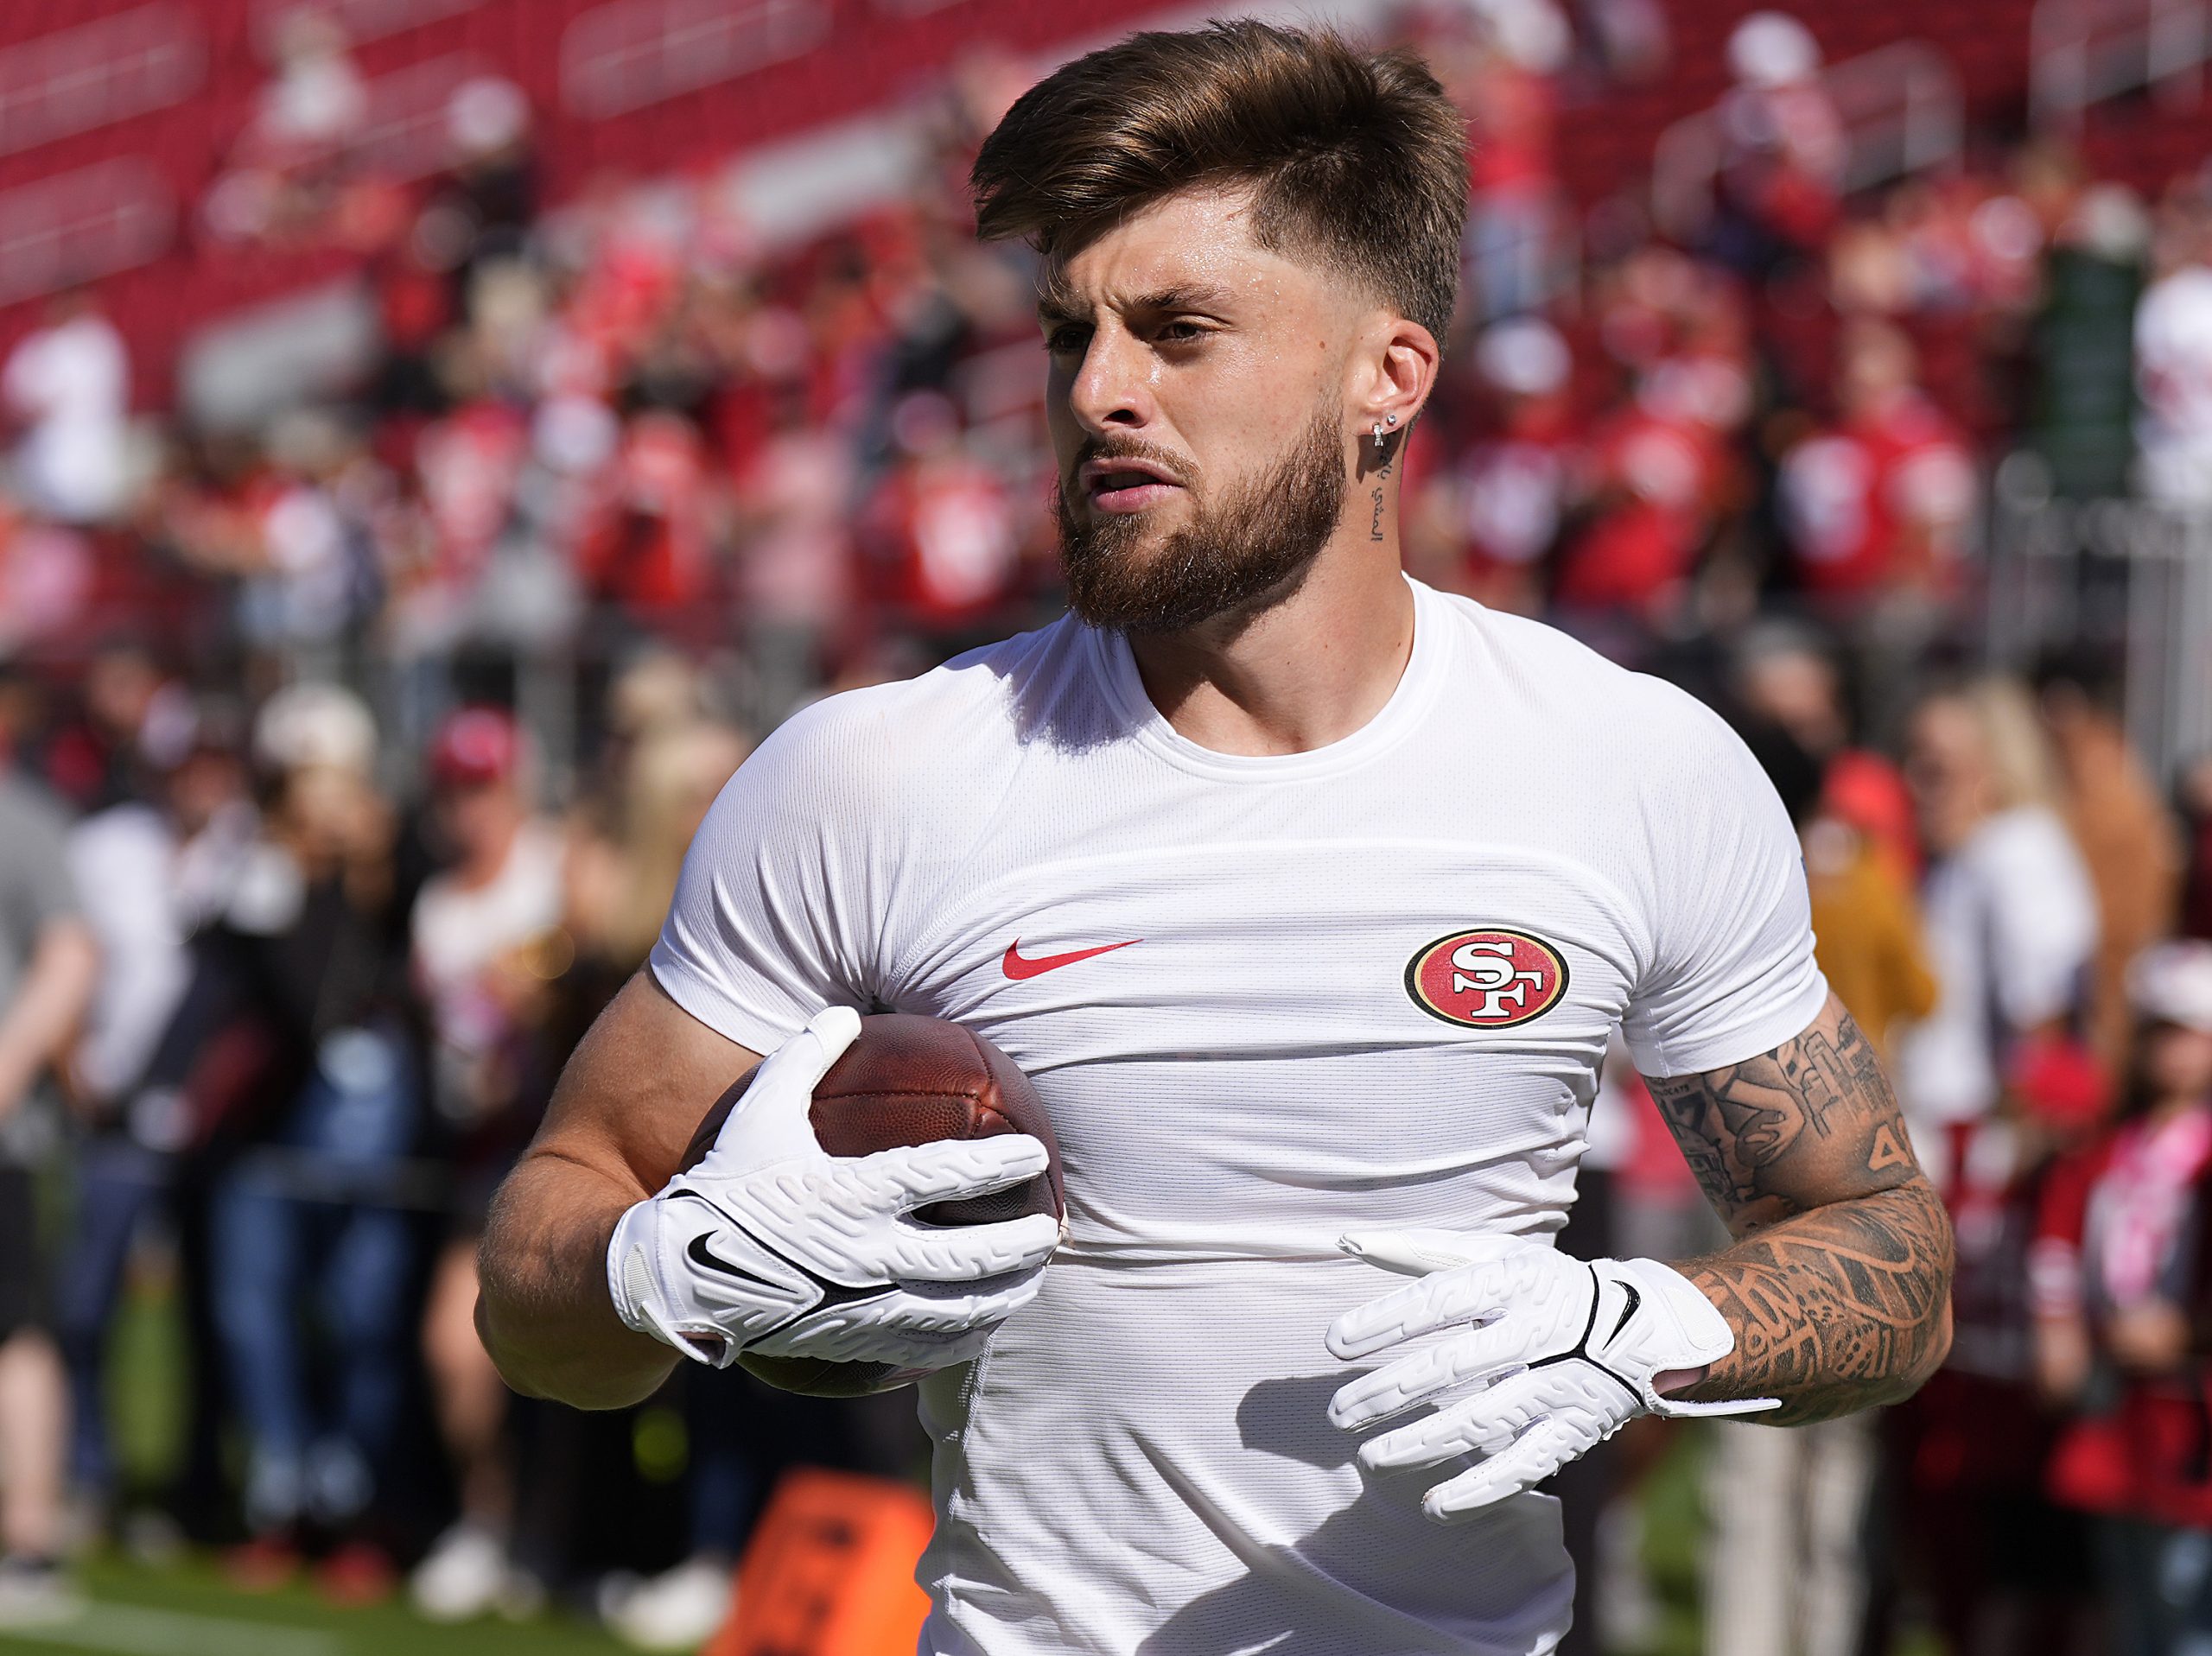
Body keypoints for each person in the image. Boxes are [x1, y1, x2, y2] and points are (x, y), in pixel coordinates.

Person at [477, 24, 1955, 1653]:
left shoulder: (1632, 765)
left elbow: (1889, 1257)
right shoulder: (874, 775)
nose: (1100, 390)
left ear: (1387, 377)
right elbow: (538, 1275)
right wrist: (659, 1268)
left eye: (1179, 330)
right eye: (1069, 335)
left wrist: (1654, 1320)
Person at [406, 707, 565, 1621]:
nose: (469, 810)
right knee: (455, 1346)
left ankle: (551, 1533)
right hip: (480, 1146)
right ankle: (486, 1518)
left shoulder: (555, 866)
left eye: (483, 788)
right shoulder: (440, 902)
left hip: (571, 1132)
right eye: (454, 791)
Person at [2036, 941, 2212, 1656]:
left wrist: (2190, 1330)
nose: (2168, 1051)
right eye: (2157, 1031)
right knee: (2129, 1592)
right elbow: (2062, 1233)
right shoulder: (2112, 1148)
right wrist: (2058, 1325)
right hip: (2119, 1403)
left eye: (2186, 1032)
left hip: (2192, 1404)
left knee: (2186, 1597)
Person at [0, 764, 97, 1624]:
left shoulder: (21, 821)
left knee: (14, 1329)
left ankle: (30, 1537)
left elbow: (70, 959)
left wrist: (6, 1068)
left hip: (5, 1141)